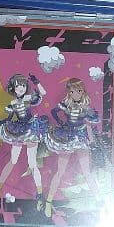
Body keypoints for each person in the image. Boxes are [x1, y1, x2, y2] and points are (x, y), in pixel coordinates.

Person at [43, 79, 101, 219]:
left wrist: (92, 141)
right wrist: (61, 123)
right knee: (60, 172)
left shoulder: (86, 108)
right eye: (73, 91)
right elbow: (54, 112)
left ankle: (99, 200)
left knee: (87, 172)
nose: (76, 94)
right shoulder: (66, 104)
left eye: (79, 91)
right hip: (67, 136)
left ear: (83, 91)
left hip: (81, 138)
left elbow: (88, 125)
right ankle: (48, 202)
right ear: (69, 92)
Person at [0, 74, 49, 208]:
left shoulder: (29, 98)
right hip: (18, 130)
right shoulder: (12, 103)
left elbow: (43, 93)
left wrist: (37, 82)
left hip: (30, 130)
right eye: (17, 86)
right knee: (13, 161)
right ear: (13, 88)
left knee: (32, 163)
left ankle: (40, 193)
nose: (20, 88)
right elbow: (9, 118)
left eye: (23, 85)